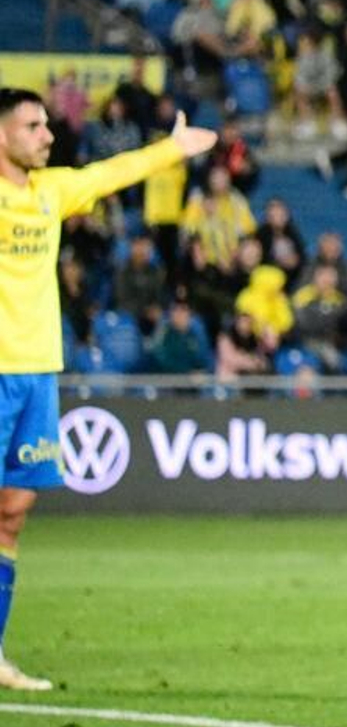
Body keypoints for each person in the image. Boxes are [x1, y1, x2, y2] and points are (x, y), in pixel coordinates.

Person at [0, 87, 215, 690]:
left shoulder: (49, 192)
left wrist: (170, 150)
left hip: (38, 371)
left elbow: (109, 172)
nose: (47, 136)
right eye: (32, 126)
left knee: (12, 513)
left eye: (47, 125)